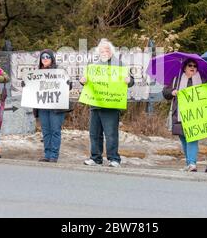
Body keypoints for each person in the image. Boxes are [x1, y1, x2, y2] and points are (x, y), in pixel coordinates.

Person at [80, 39, 134, 168]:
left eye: (107, 49)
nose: (105, 52)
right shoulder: (94, 66)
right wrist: (83, 81)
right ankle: (95, 158)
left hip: (111, 105)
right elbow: (87, 82)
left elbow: (131, 80)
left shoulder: (119, 65)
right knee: (94, 133)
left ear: (112, 51)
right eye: (102, 50)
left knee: (110, 134)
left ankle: (114, 159)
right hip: (96, 105)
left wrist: (129, 80)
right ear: (99, 52)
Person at [22, 49, 72, 163]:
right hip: (43, 106)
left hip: (56, 107)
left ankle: (54, 155)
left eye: (47, 57)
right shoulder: (37, 73)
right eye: (43, 57)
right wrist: (25, 84)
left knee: (55, 130)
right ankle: (47, 154)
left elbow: (68, 87)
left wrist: (68, 83)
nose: (45, 59)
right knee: (46, 131)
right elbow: (31, 88)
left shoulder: (59, 71)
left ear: (52, 58)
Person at [163, 59, 207, 172]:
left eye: (195, 66)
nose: (193, 67)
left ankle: (192, 163)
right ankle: (189, 163)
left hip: (195, 114)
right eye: (190, 65)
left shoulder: (202, 80)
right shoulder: (176, 79)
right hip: (179, 113)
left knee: (192, 138)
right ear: (184, 67)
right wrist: (172, 92)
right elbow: (165, 92)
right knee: (184, 138)